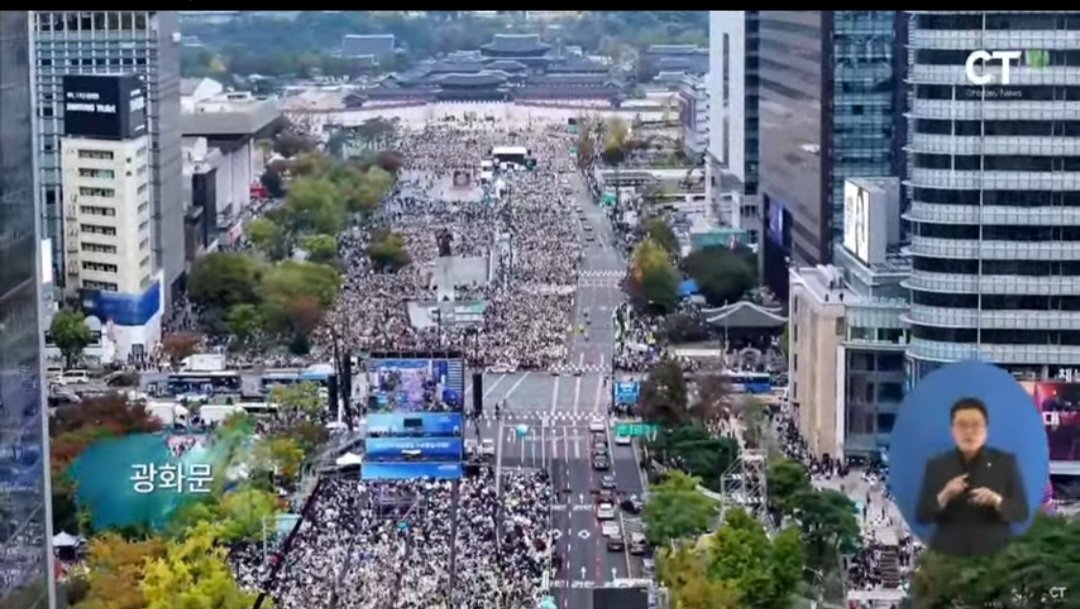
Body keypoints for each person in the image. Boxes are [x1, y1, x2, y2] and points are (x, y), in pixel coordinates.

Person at [915, 396, 1029, 558]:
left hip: (995, 556)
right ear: (952, 430)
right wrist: (945, 495)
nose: (969, 432)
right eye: (962, 425)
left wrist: (996, 501)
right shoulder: (936, 465)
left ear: (986, 429)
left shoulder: (1005, 463)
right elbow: (922, 516)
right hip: (948, 557)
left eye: (976, 425)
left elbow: (1021, 513)